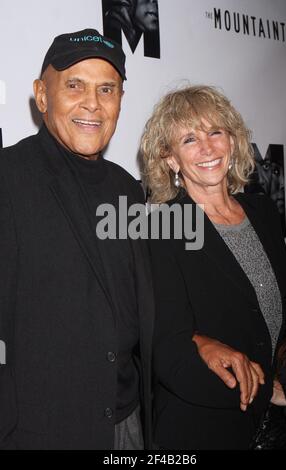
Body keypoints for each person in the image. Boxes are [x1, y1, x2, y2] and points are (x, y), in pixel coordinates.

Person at [0, 28, 155, 450]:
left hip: (127, 420)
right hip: (40, 429)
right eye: (75, 85)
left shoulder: (128, 190)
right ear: (42, 95)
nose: (93, 103)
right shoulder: (8, 176)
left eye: (107, 88)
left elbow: (139, 305)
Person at [141, 85, 286, 449]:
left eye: (216, 132)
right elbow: (169, 353)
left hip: (281, 428)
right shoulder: (163, 229)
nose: (208, 148)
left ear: (232, 140)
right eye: (189, 139)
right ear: (170, 160)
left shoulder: (261, 212)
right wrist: (264, 394)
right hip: (205, 427)